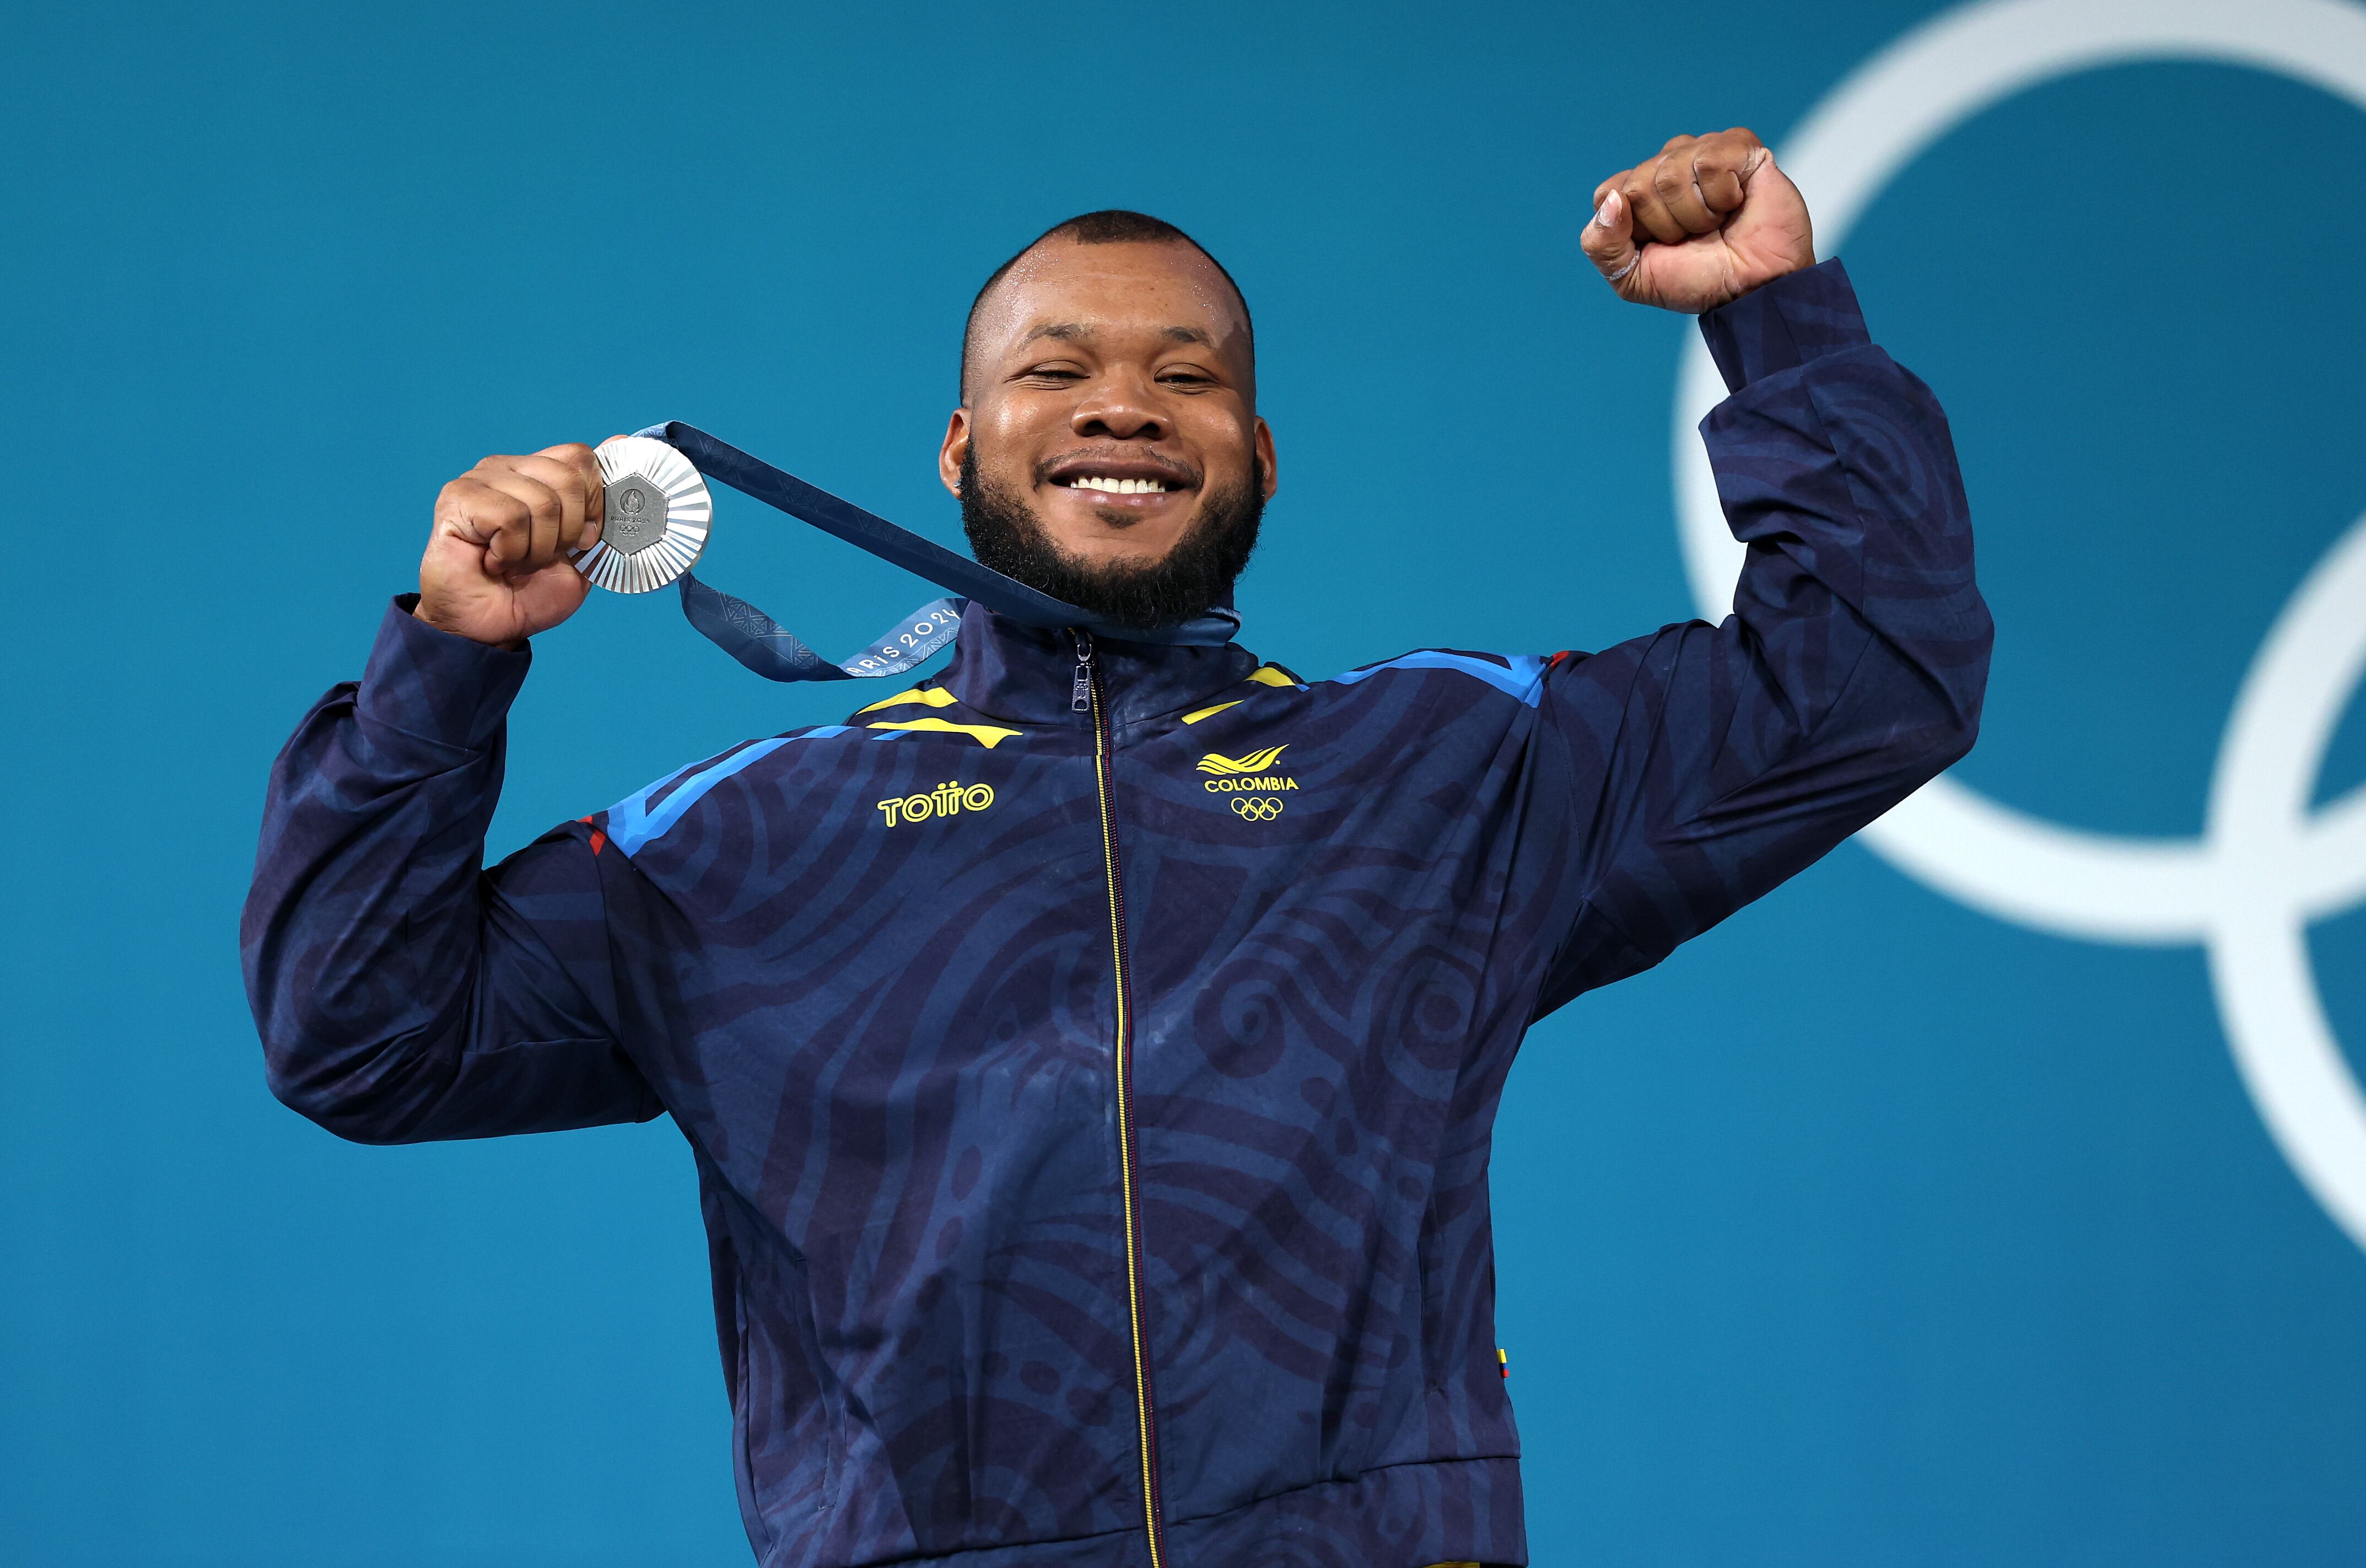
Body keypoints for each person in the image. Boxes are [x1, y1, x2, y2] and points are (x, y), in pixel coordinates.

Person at [244, 127, 1990, 1568]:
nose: (1125, 406)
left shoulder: (1452, 769)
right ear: (957, 448)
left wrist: (1776, 317)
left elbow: (1871, 679)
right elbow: (359, 1031)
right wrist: (448, 656)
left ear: (1260, 455)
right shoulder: (740, 847)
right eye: (1055, 369)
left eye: (1189, 376)